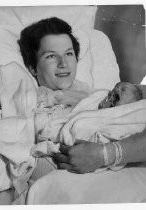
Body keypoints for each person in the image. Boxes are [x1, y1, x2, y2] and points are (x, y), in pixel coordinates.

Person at [18, 17, 146, 203]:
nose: (63, 63)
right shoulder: (30, 100)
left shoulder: (103, 96)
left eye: (69, 54)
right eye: (51, 56)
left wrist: (105, 154)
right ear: (33, 68)